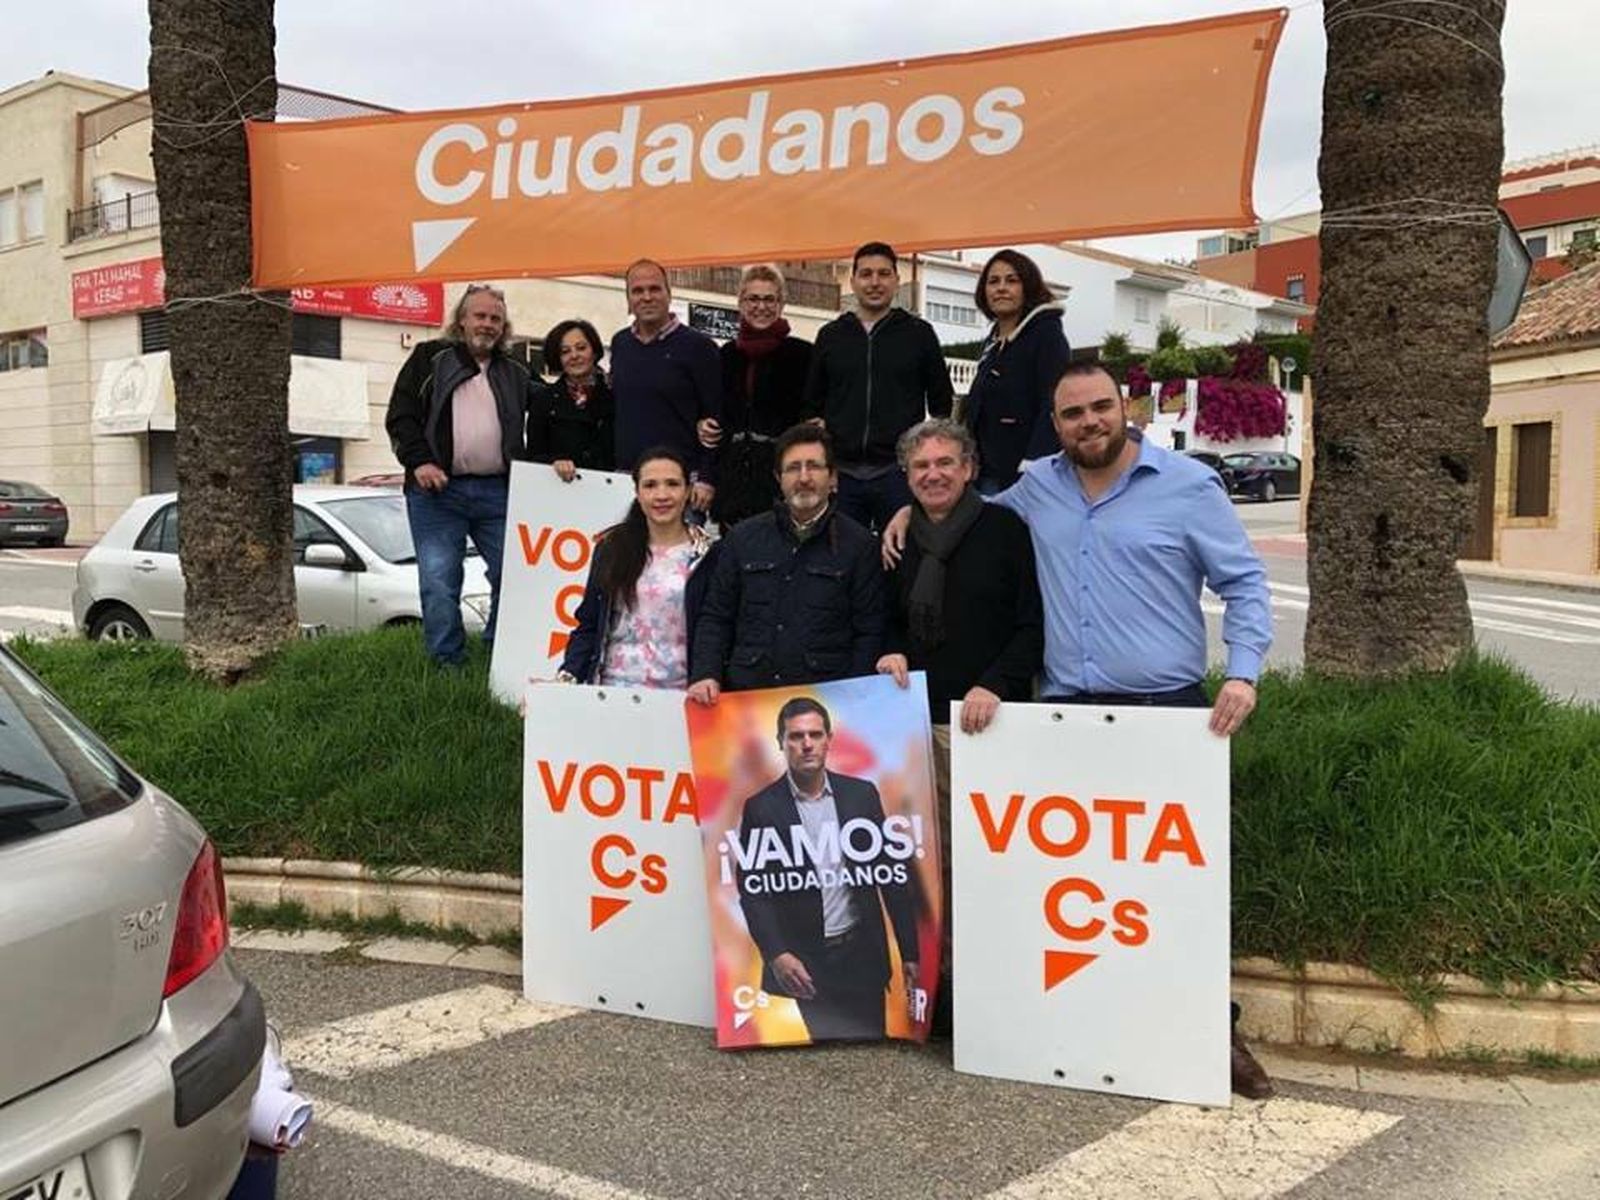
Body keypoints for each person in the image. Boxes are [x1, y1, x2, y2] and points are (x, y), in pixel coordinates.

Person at [889, 360, 1274, 1096]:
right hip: (1061, 714)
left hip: (1165, 713)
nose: (1088, 423)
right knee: (1067, 878)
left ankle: (1210, 1033)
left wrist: (1245, 671)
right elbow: (964, 506)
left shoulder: (1188, 486)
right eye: (1071, 415)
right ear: (1056, 423)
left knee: (1175, 883)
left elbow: (1244, 584)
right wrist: (912, 511)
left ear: (1123, 407)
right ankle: (1081, 1020)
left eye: (1100, 408)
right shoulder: (1038, 488)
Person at [875, 418, 1043, 1033]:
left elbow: (1032, 625)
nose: (934, 474)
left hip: (985, 724)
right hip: (913, 724)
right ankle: (936, 994)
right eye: (921, 467)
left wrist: (994, 684)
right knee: (924, 866)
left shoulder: (1005, 531)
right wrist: (889, 651)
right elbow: (886, 620)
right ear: (907, 477)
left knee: (985, 864)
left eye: (946, 463)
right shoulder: (898, 539)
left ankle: (991, 993)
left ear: (970, 468)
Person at [735, 696, 922, 1041]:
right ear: (781, 743)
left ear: (828, 739)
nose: (807, 744)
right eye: (795, 736)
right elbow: (753, 890)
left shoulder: (861, 796)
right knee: (826, 1055)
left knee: (870, 1048)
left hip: (861, 953)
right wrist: (777, 953)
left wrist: (910, 953)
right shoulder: (762, 808)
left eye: (815, 735)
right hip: (806, 963)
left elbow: (891, 877)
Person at [385, 283, 536, 667]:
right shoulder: (428, 357)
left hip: (499, 493)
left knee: (516, 576)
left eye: (496, 319)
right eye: (480, 316)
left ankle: (496, 652)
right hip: (437, 493)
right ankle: (447, 664)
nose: (487, 324)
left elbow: (554, 409)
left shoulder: (516, 369)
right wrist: (420, 462)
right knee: (439, 582)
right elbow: (402, 415)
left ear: (504, 326)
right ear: (462, 320)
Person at [687, 425, 884, 703]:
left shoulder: (860, 546)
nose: (803, 478)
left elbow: (869, 631)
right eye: (793, 468)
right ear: (778, 478)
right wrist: (706, 673)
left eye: (813, 466)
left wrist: (853, 697)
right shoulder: (742, 540)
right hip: (747, 701)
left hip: (824, 706)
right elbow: (716, 617)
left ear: (833, 478)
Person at [801, 242, 953, 533]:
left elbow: (941, 403)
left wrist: (927, 456)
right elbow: (811, 404)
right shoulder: (831, 336)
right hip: (842, 474)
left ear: (897, 280)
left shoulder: (918, 334)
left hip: (898, 472)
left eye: (883, 274)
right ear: (853, 280)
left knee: (901, 556)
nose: (874, 282)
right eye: (866, 274)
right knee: (841, 559)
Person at [556, 447, 719, 688]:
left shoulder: (711, 555)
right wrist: (564, 681)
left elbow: (718, 630)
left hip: (685, 697)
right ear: (637, 493)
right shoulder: (611, 547)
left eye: (672, 484)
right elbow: (589, 625)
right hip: (613, 691)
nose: (661, 495)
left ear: (687, 491)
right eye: (650, 485)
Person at [695, 265, 813, 527]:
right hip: (733, 484)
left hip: (781, 481)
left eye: (769, 299)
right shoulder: (725, 355)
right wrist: (702, 423)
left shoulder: (803, 355)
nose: (761, 306)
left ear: (781, 304)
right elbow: (714, 413)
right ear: (740, 303)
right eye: (753, 299)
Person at [609, 259, 721, 513]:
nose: (647, 297)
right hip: (627, 482)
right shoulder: (620, 344)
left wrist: (706, 477)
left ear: (669, 294)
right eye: (638, 291)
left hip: (681, 486)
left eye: (654, 289)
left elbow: (715, 417)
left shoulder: (699, 347)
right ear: (628, 299)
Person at [959, 248, 1073, 493]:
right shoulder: (993, 342)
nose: (1001, 288)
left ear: (1027, 287)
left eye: (1012, 280)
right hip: (983, 471)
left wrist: (1034, 465)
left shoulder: (1047, 335)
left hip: (1021, 477)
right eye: (993, 281)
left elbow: (1054, 401)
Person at [534, 318, 614, 481]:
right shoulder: (544, 400)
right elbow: (534, 455)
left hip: (608, 489)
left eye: (581, 348)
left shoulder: (616, 395)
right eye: (565, 351)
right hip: (560, 490)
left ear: (594, 351)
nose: (574, 356)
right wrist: (554, 462)